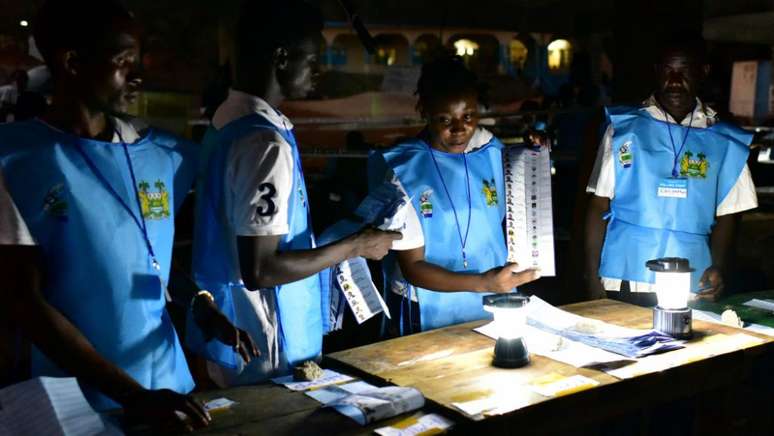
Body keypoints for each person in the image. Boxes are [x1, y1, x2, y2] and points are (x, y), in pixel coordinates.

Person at [0, 0, 257, 431]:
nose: (138, 76)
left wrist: (200, 303)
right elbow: (25, 303)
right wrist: (132, 395)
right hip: (81, 403)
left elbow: (147, 253)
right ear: (73, 62)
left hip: (169, 386)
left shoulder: (164, 155)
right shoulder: (14, 160)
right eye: (123, 61)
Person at [191, 0, 400, 386]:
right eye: (313, 58)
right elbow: (261, 269)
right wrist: (356, 246)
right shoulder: (264, 144)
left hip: (232, 325)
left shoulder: (227, 119)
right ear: (282, 58)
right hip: (267, 344)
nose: (318, 70)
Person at [369, 56, 540, 335]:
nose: (460, 129)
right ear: (424, 111)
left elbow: (517, 182)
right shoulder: (404, 170)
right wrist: (482, 283)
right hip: (426, 304)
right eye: (444, 119)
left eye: (468, 116)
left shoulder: (487, 149)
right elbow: (412, 267)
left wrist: (534, 150)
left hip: (493, 294)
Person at [585, 36, 757, 305]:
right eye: (668, 70)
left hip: (692, 280)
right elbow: (598, 204)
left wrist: (719, 267)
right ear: (657, 72)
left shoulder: (724, 141)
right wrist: (591, 277)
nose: (675, 80)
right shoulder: (623, 130)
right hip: (626, 275)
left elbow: (728, 215)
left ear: (703, 72)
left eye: (684, 70)